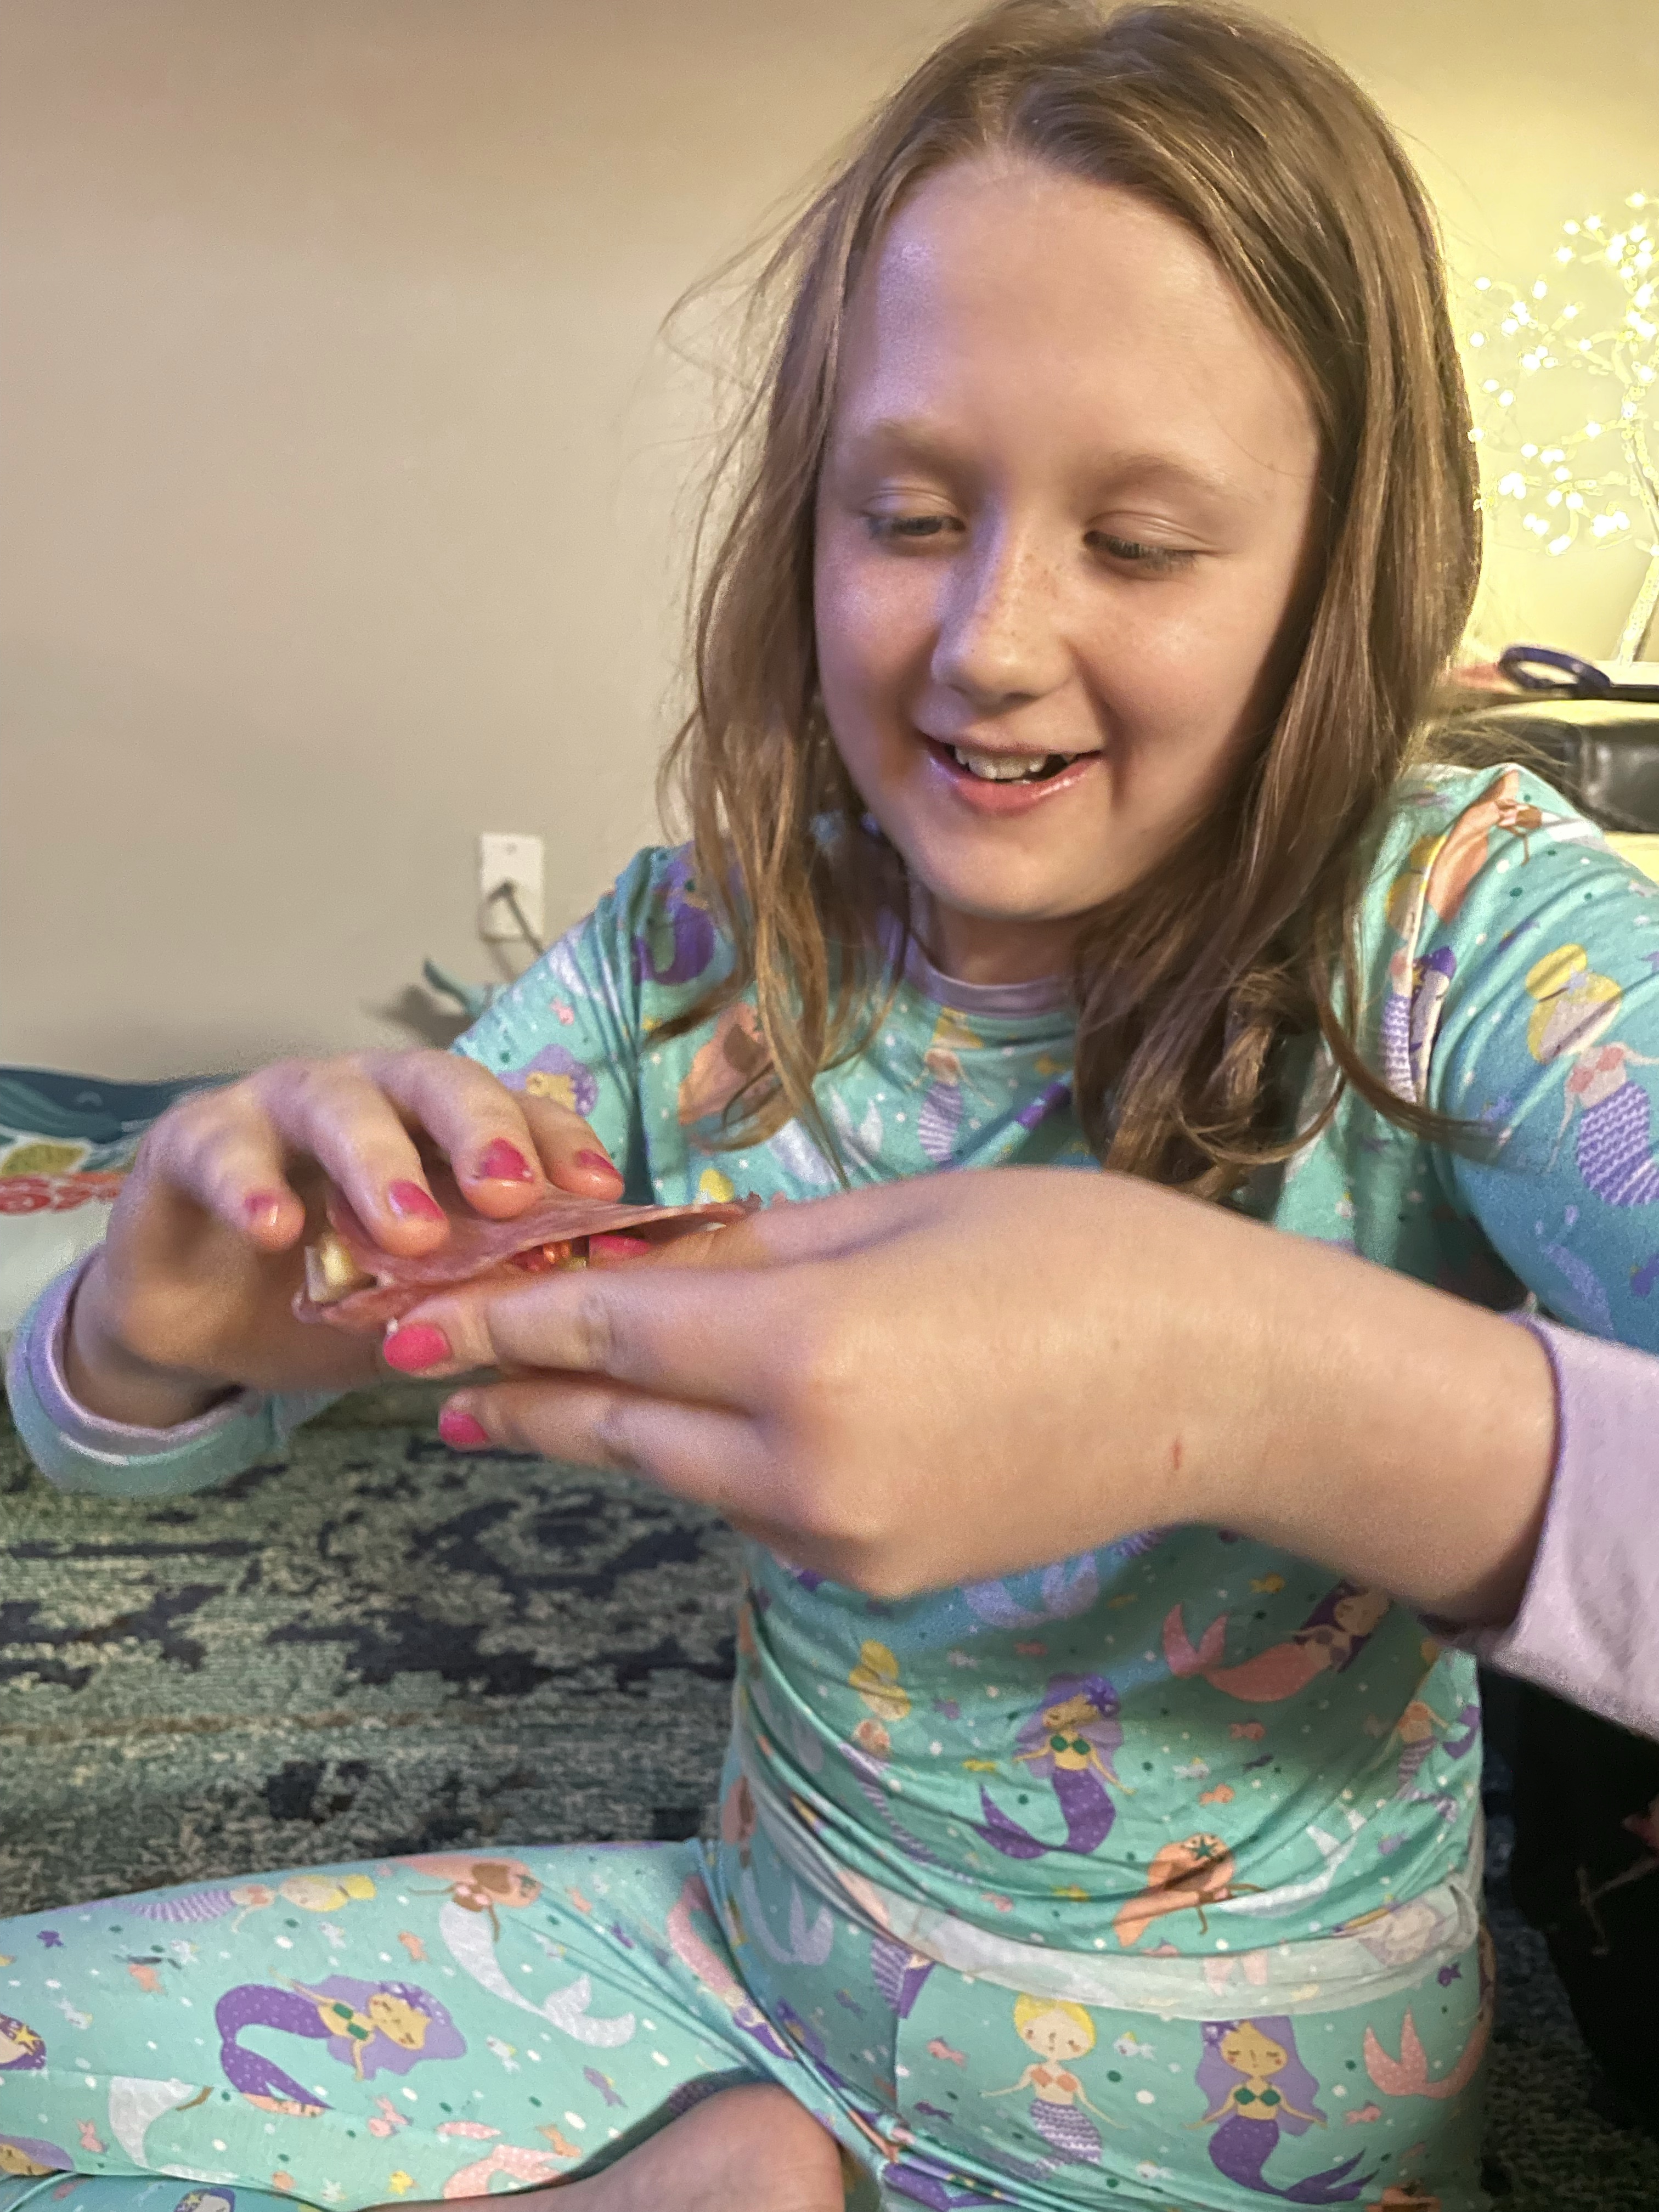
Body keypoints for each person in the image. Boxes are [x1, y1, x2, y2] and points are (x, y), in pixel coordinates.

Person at [4, 2, 1657, 2205]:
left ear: (1333, 573)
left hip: (1244, 2121)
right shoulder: (701, 955)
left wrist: (1241, 1388)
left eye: (1141, 543)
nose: (989, 640)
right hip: (749, 1970)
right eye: (912, 514)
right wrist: (154, 1329)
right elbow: (220, 1367)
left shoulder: (1471, 936)